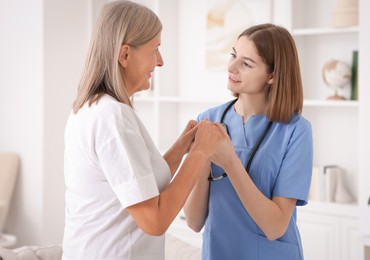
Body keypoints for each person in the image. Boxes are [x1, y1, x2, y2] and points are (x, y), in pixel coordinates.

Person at [62, 1, 225, 259]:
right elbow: (155, 221)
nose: (160, 62)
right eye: (155, 49)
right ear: (125, 54)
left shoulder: (93, 108)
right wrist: (201, 153)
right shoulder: (112, 117)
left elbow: (137, 183)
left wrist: (182, 148)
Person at [184, 23, 313, 260]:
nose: (231, 67)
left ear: (272, 75)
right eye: (234, 55)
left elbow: (275, 227)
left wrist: (230, 162)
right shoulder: (207, 120)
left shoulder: (296, 131)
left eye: (246, 63)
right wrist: (202, 159)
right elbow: (193, 221)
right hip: (218, 253)